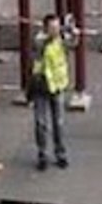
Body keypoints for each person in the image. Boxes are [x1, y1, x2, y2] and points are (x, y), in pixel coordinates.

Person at [29, 13, 77, 170]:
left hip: (57, 85)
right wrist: (55, 37)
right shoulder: (39, 41)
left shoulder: (61, 40)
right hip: (41, 86)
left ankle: (60, 153)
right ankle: (42, 153)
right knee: (40, 123)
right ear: (45, 28)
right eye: (52, 28)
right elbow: (38, 51)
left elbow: (73, 45)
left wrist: (74, 35)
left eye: (57, 27)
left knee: (59, 122)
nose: (56, 30)